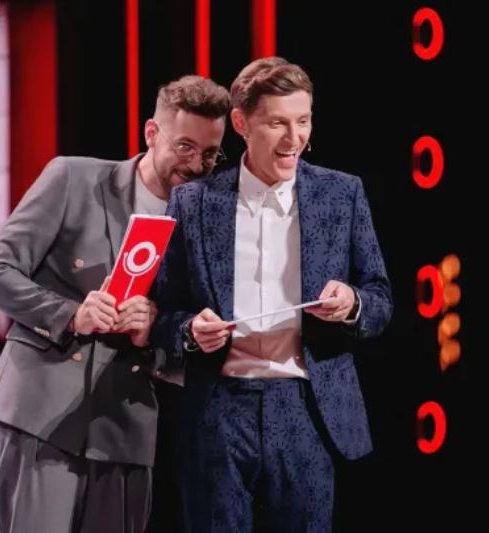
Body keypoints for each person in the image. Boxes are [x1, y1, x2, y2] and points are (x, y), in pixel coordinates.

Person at [0, 74, 230, 533]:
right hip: (40, 415)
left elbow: (191, 336)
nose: (197, 165)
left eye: (210, 154)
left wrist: (157, 327)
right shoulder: (73, 178)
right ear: (151, 133)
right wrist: (71, 314)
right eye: (185, 147)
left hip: (125, 431)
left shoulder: (209, 225)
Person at [151, 57, 393, 532]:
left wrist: (352, 304)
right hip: (219, 411)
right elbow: (163, 312)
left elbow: (380, 300)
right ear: (241, 124)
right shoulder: (194, 202)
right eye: (278, 123)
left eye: (303, 121)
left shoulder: (341, 194)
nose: (294, 138)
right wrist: (190, 330)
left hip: (306, 410)